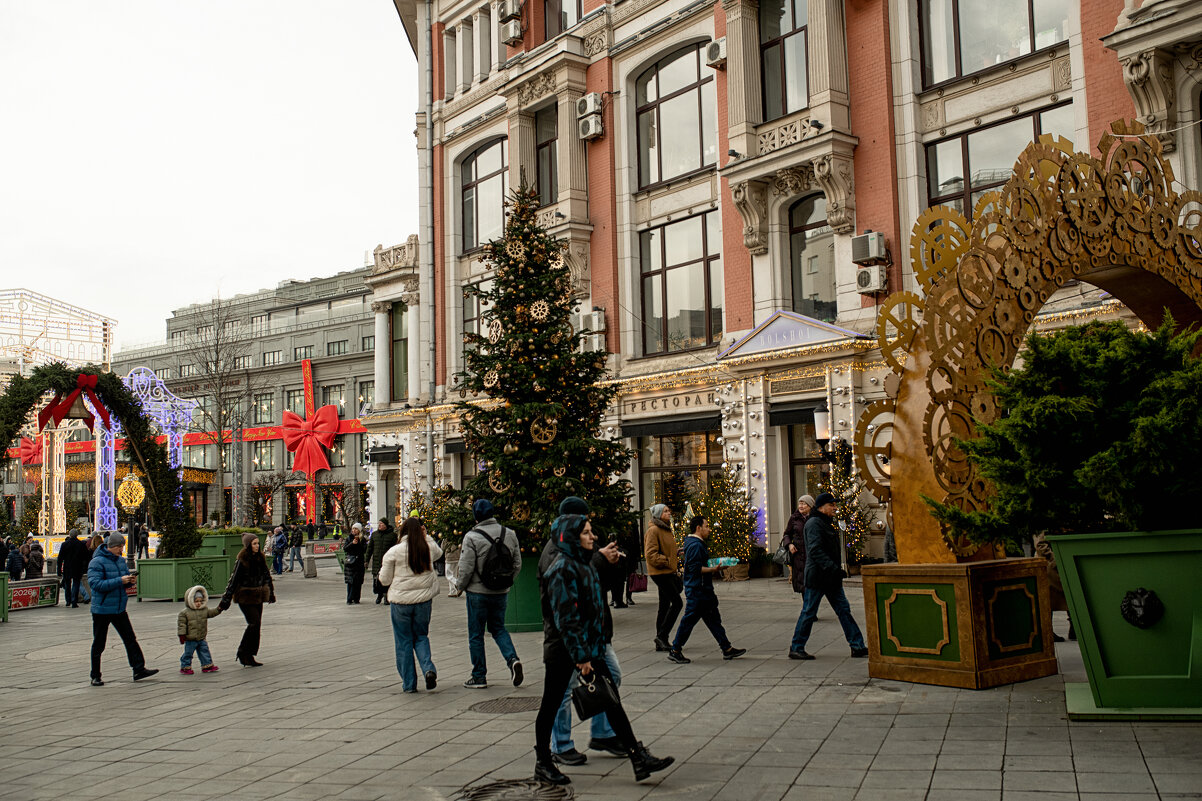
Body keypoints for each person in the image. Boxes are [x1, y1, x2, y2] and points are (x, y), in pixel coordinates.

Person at [535, 513, 673, 785]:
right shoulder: (561, 569)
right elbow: (567, 619)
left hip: (590, 647)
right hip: (565, 651)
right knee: (551, 704)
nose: (593, 536)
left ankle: (637, 756)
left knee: (611, 700)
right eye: (586, 532)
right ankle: (543, 762)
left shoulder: (582, 562)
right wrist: (581, 657)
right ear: (571, 537)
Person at [541, 497, 629, 766]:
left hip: (594, 634)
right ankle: (559, 746)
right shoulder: (556, 551)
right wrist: (600, 559)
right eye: (585, 526)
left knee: (611, 676)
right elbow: (567, 602)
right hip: (569, 640)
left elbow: (596, 584)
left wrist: (609, 560)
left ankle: (603, 733)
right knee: (561, 693)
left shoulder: (581, 549)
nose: (592, 533)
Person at [788, 492, 869, 660]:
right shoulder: (814, 523)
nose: (835, 508)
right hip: (818, 577)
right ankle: (796, 647)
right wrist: (833, 568)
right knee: (809, 612)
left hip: (830, 577)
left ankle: (857, 646)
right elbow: (815, 550)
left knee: (844, 610)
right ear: (821, 507)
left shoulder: (824, 522)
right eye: (831, 505)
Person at [456, 499, 523, 689]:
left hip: (477, 592)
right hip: (501, 591)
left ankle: (479, 676)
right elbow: (517, 564)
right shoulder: (509, 534)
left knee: (476, 634)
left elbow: (466, 567)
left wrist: (460, 586)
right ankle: (513, 660)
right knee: (499, 628)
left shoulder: (471, 537)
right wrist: (506, 581)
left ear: (476, 516)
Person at [667, 516, 746, 664]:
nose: (709, 529)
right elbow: (694, 568)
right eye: (707, 526)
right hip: (698, 590)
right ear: (698, 528)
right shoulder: (696, 545)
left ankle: (726, 648)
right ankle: (675, 650)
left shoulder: (693, 543)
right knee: (689, 620)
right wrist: (714, 569)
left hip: (703, 589)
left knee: (713, 619)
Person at [379, 517, 443, 692]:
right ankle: (428, 669)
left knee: (404, 642)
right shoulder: (427, 548)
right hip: (423, 601)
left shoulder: (394, 552)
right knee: (421, 637)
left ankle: (409, 684)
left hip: (401, 602)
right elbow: (439, 553)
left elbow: (384, 580)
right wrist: (426, 536)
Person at [87, 532, 158, 686]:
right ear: (111, 546)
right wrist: (120, 580)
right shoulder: (96, 562)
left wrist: (130, 581)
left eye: (122, 547)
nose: (121, 550)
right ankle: (95, 675)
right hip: (102, 609)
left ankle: (138, 669)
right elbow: (95, 584)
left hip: (119, 608)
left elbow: (123, 581)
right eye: (119, 547)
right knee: (99, 643)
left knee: (130, 639)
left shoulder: (120, 561)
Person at [218, 533, 276, 667]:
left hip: (258, 595)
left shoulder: (260, 558)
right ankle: (242, 652)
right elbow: (233, 580)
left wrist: (271, 593)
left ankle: (250, 655)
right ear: (248, 545)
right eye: (254, 543)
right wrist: (225, 600)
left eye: (258, 543)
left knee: (257, 625)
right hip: (245, 596)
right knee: (253, 623)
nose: (257, 546)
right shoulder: (242, 559)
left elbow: (267, 576)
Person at [644, 504, 682, 652]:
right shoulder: (654, 530)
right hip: (660, 573)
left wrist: (675, 553)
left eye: (668, 511)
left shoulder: (666, 529)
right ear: (659, 514)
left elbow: (664, 549)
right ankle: (661, 636)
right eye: (665, 511)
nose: (669, 513)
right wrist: (667, 560)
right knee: (677, 603)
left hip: (667, 571)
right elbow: (651, 554)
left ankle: (661, 640)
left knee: (664, 605)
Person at [177, 585, 223, 674]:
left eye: (200, 601)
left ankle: (207, 665)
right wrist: (182, 635)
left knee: (204, 651)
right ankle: (185, 666)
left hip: (201, 637)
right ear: (190, 601)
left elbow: (212, 613)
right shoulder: (184, 613)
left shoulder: (204, 610)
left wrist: (219, 609)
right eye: (196, 601)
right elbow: (182, 625)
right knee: (188, 653)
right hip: (190, 638)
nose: (198, 603)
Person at [782, 495, 815, 594]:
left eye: (804, 504)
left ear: (810, 506)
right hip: (798, 555)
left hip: (811, 554)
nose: (801, 506)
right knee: (803, 585)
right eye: (800, 503)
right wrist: (789, 544)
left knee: (812, 583)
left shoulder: (815, 518)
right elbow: (786, 534)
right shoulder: (794, 518)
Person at [369, 518, 398, 604]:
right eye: (379, 524)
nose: (380, 525)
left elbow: (395, 548)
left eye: (382, 524)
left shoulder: (392, 535)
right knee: (377, 580)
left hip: (387, 561)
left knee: (386, 578)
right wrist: (366, 560)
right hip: (377, 561)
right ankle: (379, 594)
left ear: (386, 525)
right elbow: (370, 548)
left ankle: (386, 596)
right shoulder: (374, 535)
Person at [58, 529, 89, 608]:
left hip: (67, 567)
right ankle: (74, 600)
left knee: (67, 584)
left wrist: (59, 570)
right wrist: (84, 566)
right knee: (76, 583)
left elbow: (60, 558)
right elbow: (86, 556)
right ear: (77, 535)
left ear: (69, 535)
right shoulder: (81, 544)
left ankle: (68, 600)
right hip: (77, 567)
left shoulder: (64, 544)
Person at [343, 523, 367, 604]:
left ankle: (356, 598)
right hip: (351, 562)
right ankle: (349, 598)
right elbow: (345, 548)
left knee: (358, 581)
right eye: (353, 528)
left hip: (359, 562)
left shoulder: (362, 539)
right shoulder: (349, 538)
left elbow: (364, 550)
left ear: (359, 530)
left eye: (356, 529)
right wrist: (352, 543)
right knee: (350, 581)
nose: (354, 530)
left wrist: (358, 543)